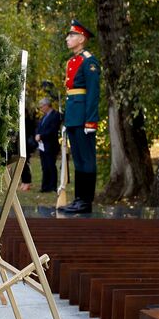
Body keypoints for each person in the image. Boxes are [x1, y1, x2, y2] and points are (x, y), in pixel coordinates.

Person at [57, 21, 101, 214]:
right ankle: (78, 199)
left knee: (87, 159)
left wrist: (91, 120)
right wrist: (68, 120)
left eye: (72, 35)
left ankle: (85, 201)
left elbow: (92, 93)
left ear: (81, 39)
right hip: (74, 117)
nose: (68, 38)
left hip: (84, 118)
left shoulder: (89, 61)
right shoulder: (73, 61)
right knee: (79, 160)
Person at [34, 96, 61, 193]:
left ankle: (52, 186)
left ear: (46, 105)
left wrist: (41, 136)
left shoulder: (55, 115)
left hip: (51, 145)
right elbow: (39, 127)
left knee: (51, 165)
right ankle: (45, 187)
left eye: (41, 107)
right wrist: (37, 134)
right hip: (42, 145)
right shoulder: (43, 117)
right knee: (44, 166)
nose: (40, 109)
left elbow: (53, 130)